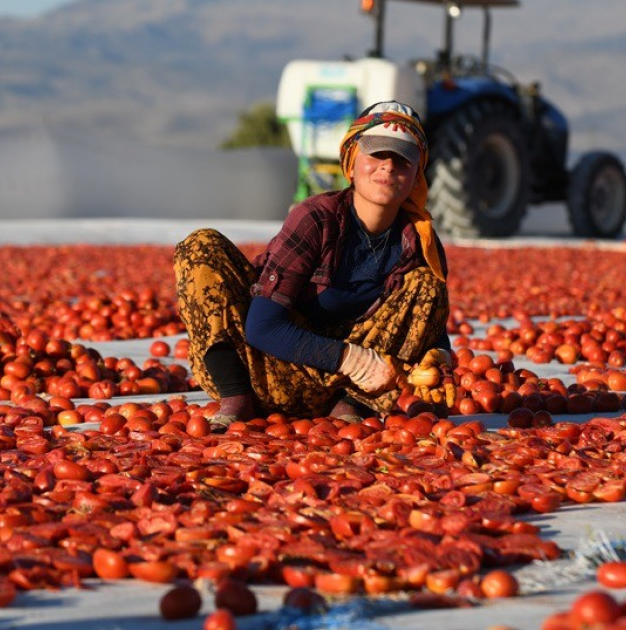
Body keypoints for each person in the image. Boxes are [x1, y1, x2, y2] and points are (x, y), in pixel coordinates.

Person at [173, 101, 455, 429]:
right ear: (350, 163)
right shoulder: (316, 219)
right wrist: (355, 361)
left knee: (428, 283)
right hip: (264, 369)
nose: (388, 167)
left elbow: (429, 324)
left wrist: (440, 359)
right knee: (200, 246)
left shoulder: (420, 241)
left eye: (402, 159)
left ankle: (350, 406)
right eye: (377, 154)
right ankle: (236, 400)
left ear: (416, 174)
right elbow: (262, 327)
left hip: (347, 390)